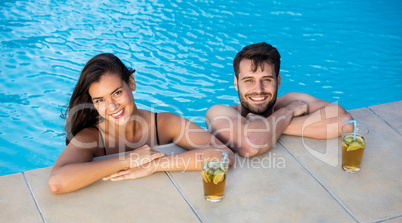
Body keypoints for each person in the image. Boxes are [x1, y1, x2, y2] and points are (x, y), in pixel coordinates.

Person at [49, 53, 234, 194]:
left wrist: (154, 165)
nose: (112, 106)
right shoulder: (91, 137)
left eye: (116, 93)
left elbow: (225, 155)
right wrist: (129, 159)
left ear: (131, 83)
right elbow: (57, 182)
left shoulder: (163, 124)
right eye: (100, 100)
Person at [205, 42, 353, 157]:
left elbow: (345, 122)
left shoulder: (290, 99)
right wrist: (287, 112)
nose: (258, 89)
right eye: (249, 80)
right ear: (236, 83)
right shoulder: (219, 112)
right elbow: (252, 144)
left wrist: (266, 125)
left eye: (267, 80)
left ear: (278, 81)